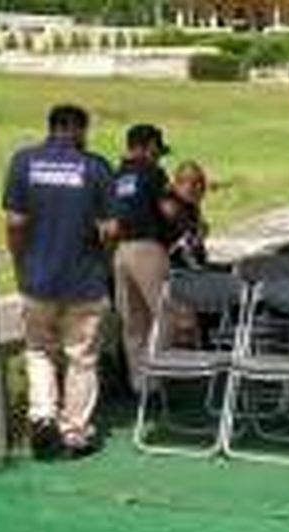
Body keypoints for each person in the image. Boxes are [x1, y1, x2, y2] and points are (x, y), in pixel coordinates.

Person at [3, 104, 115, 459]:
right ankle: (74, 434)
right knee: (81, 358)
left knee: (38, 350)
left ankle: (42, 415)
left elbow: (15, 222)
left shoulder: (23, 161)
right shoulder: (95, 167)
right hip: (85, 281)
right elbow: (111, 228)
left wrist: (21, 260)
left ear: (51, 128)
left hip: (37, 280)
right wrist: (103, 258)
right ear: (80, 130)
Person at [111, 123, 171, 393]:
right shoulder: (152, 171)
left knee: (133, 322)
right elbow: (168, 210)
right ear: (149, 146)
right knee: (164, 314)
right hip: (148, 246)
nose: (159, 156)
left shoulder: (117, 174)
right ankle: (159, 379)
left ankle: (141, 386)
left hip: (121, 250)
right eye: (158, 149)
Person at [160, 160, 210, 271]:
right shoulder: (171, 206)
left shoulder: (190, 206)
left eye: (201, 184)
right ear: (178, 184)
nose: (198, 189)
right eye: (193, 184)